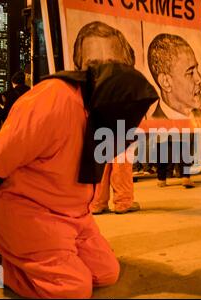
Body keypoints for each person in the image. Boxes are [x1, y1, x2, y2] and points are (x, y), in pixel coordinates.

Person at [0, 62, 158, 298]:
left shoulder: (98, 112)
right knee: (73, 290)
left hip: (74, 215)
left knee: (106, 273)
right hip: (28, 210)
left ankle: (32, 257)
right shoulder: (53, 101)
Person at [73, 21, 141, 215]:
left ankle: (97, 202)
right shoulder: (123, 85)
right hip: (119, 118)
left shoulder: (84, 91)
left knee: (101, 161)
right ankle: (123, 201)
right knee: (121, 162)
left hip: (97, 120)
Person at [147, 33, 201, 119]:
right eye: (190, 73)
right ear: (166, 82)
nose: (199, 79)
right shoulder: (152, 128)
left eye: (196, 69)